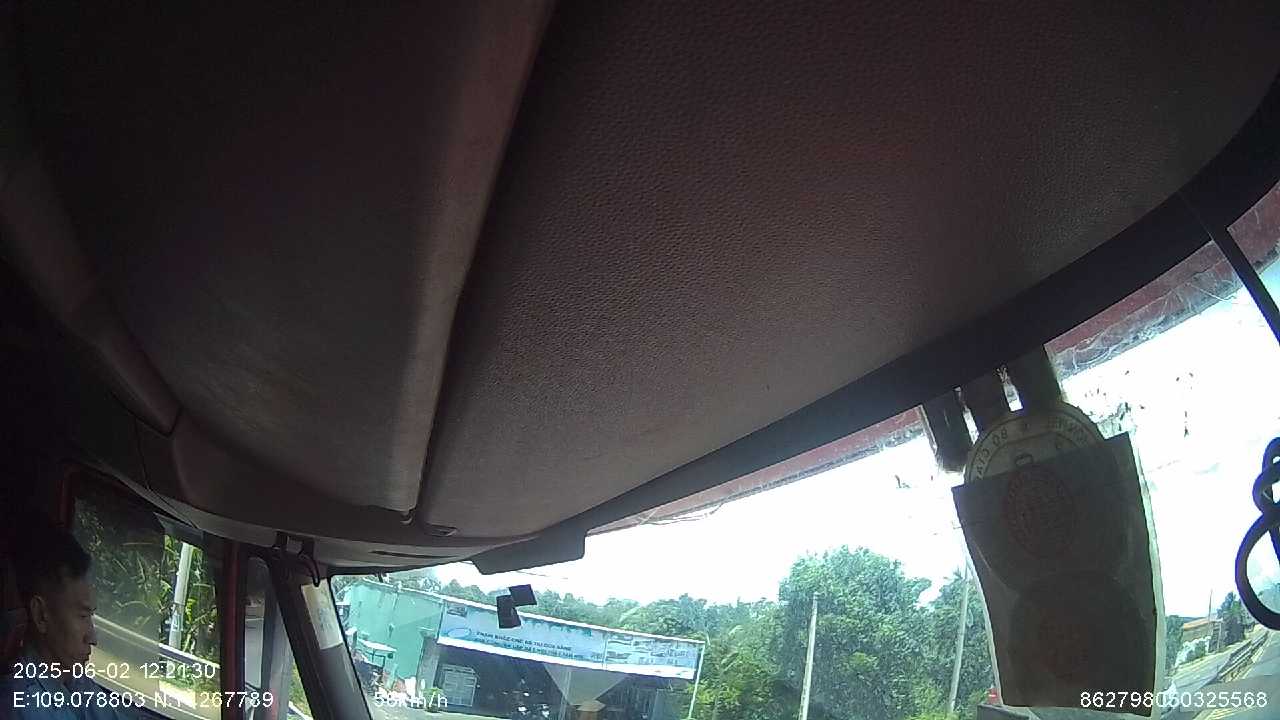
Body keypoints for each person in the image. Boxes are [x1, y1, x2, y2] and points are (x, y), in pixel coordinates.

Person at [3, 514, 137, 719]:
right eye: (82, 616)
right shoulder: (26, 707)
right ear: (41, 615)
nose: (92, 638)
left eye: (90, 616)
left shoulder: (72, 678)